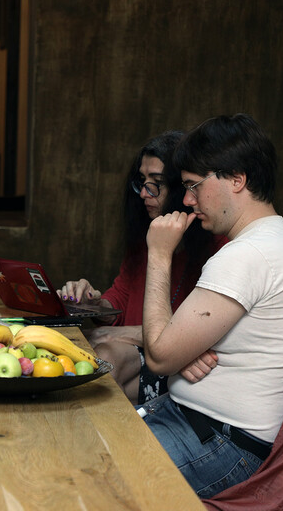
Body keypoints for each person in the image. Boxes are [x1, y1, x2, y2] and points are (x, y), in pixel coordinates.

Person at [138, 114, 283, 498]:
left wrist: (158, 254)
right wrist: (181, 353)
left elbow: (158, 356)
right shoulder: (274, 240)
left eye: (193, 186)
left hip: (223, 446)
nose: (187, 200)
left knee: (82, 477)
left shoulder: (249, 254)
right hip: (198, 427)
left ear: (237, 179)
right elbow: (174, 349)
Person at [57, 131, 222, 404]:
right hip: (142, 354)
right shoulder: (148, 233)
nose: (145, 193)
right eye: (142, 182)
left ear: (182, 187)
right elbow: (121, 296)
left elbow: (202, 332)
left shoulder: (216, 246)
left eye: (156, 183)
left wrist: (125, 333)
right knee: (90, 353)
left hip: (181, 367)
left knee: (103, 355)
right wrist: (94, 304)